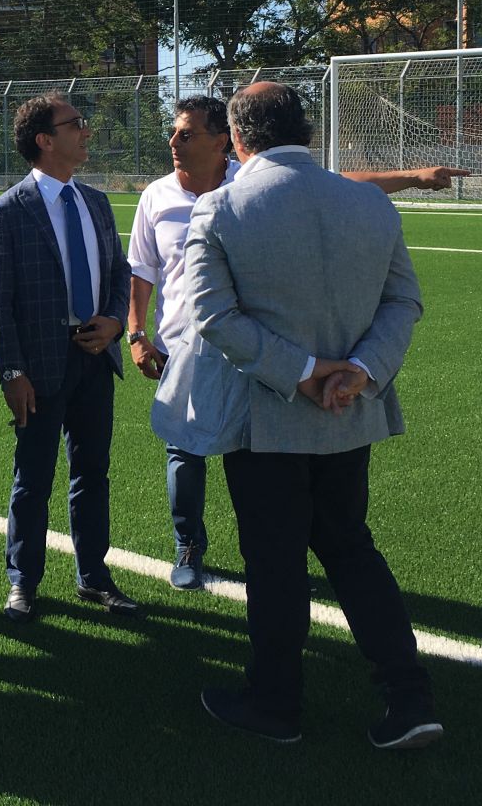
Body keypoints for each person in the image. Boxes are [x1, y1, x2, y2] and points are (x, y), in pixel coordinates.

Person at [184, 82, 440, 749]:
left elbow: (211, 317)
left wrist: (301, 374)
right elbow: (403, 303)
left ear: (238, 138)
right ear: (307, 131)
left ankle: (274, 703)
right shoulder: (369, 202)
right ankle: (408, 696)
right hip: (348, 414)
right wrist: (359, 371)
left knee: (274, 562)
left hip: (269, 418)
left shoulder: (219, 209)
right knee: (351, 547)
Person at [127, 96, 467, 591]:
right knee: (186, 454)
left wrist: (414, 176)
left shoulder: (239, 190)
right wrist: (137, 333)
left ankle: (280, 587)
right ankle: (189, 545)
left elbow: (342, 184)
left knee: (271, 503)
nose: (174, 143)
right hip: (185, 346)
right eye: (173, 134)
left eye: (186, 133)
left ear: (227, 140)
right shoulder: (156, 198)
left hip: (253, 357)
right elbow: (141, 270)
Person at [0, 94, 135, 624]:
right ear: (45, 140)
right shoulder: (8, 210)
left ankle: (93, 576)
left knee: (93, 472)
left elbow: (120, 273)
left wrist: (116, 322)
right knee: (33, 476)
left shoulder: (95, 201)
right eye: (76, 125)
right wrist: (13, 373)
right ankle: (23, 581)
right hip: (41, 369)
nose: (86, 132)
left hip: (95, 358)